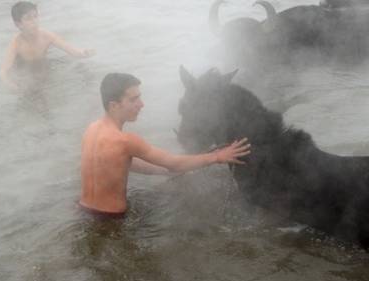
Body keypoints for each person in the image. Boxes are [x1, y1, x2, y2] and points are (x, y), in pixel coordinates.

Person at [79, 72, 250, 218]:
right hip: (112, 221)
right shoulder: (126, 141)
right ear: (114, 105)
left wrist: (164, 172)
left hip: (84, 211)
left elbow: (120, 162)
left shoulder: (91, 130)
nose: (141, 104)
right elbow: (174, 163)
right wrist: (218, 156)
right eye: (134, 99)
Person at [0, 1, 94, 91]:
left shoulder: (46, 36)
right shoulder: (16, 44)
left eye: (35, 16)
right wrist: (10, 84)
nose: (34, 21)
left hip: (43, 68)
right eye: (28, 18)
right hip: (24, 73)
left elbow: (73, 51)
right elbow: (4, 71)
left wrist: (84, 53)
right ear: (18, 24)